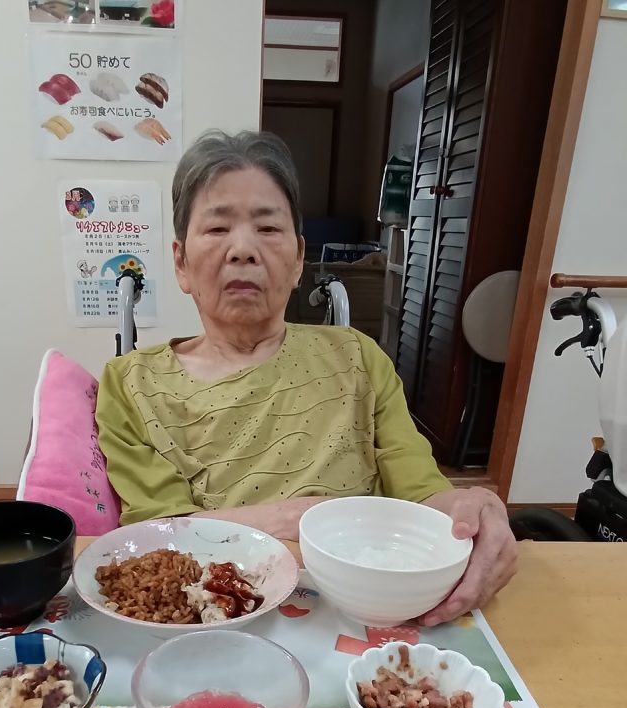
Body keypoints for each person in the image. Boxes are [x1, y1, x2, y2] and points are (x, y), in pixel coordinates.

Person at [96, 130, 517, 625]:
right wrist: (297, 517)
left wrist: (474, 507)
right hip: (216, 616)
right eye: (217, 228)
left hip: (363, 610)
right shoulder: (131, 383)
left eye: (267, 228)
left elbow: (423, 495)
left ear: (299, 259)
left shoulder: (358, 358)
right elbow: (160, 536)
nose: (243, 249)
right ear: (181, 262)